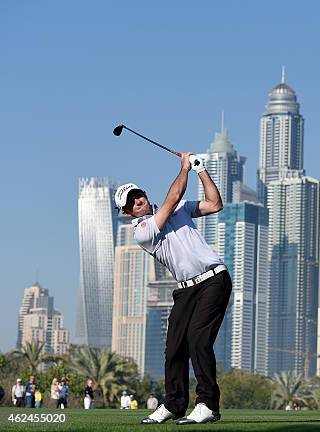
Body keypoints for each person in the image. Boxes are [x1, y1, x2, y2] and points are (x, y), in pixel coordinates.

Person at [115, 153, 232, 425]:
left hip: (214, 280)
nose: (137, 200)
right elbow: (174, 197)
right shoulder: (142, 230)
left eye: (137, 194)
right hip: (186, 289)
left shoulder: (178, 209)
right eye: (130, 202)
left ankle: (207, 405)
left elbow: (215, 204)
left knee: (198, 340)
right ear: (127, 212)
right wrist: (184, 168)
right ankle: (174, 404)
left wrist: (200, 169)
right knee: (174, 347)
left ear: (144, 192)